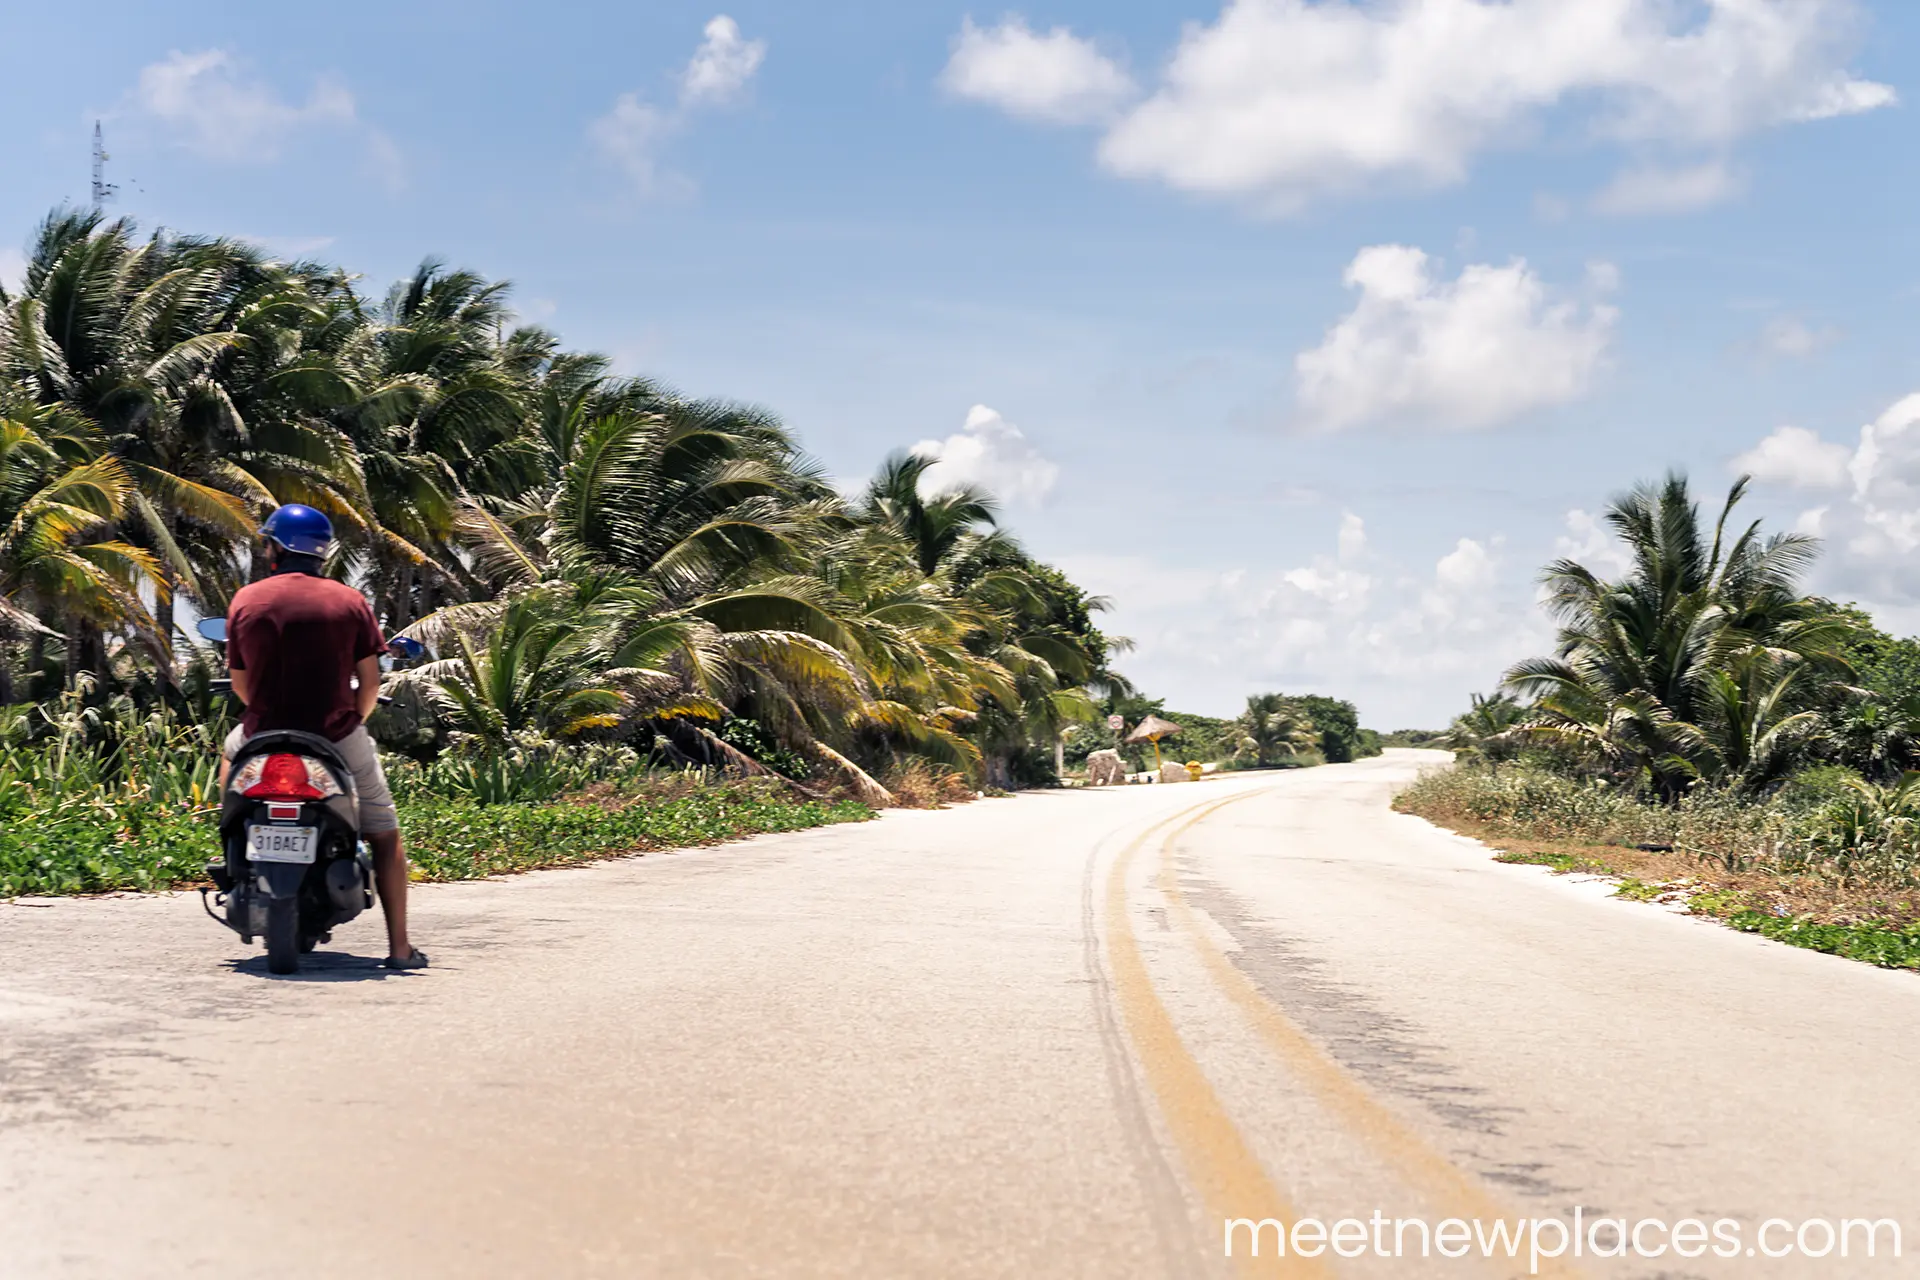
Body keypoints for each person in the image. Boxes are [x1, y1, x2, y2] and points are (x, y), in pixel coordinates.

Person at [221, 504, 427, 969]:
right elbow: (371, 682)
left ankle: (231, 830)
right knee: (385, 834)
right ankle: (399, 949)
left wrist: (265, 714)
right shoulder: (350, 601)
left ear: (275, 547)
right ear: (320, 551)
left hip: (263, 733)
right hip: (334, 736)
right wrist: (353, 718)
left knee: (230, 753)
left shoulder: (246, 600)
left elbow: (241, 686)